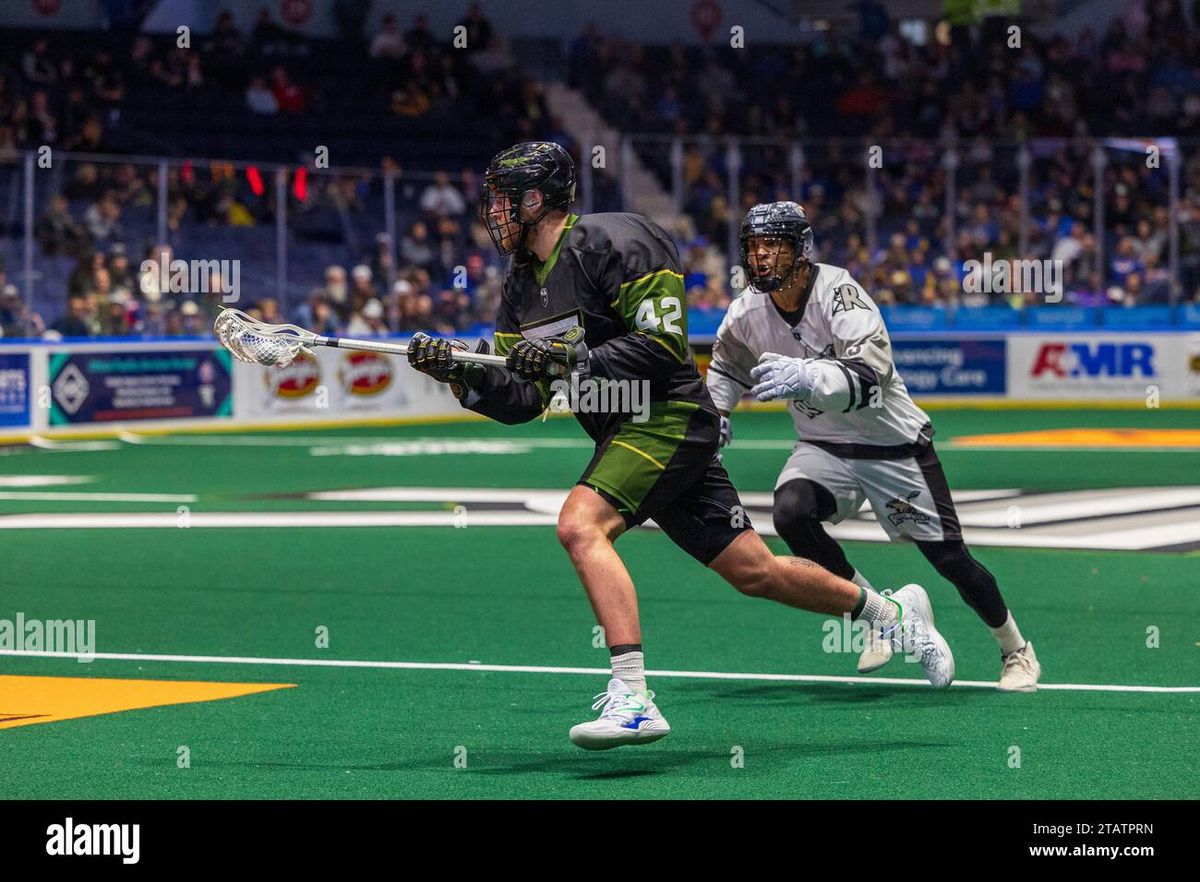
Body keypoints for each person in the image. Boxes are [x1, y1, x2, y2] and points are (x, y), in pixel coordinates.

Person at [405, 143, 955, 750]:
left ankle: (633, 697)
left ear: (537, 199)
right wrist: (463, 375)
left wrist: (574, 355)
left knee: (580, 525)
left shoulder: (615, 241)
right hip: (625, 429)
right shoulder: (520, 284)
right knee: (756, 571)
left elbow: (664, 346)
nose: (495, 213)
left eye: (505, 200)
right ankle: (893, 615)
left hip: (665, 415)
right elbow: (525, 399)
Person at [710, 201, 1039, 692]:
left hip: (891, 444)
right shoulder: (746, 312)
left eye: (772, 246)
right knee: (791, 513)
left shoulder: (840, 294)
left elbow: (870, 377)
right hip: (823, 444)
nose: (760, 258)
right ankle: (880, 615)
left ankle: (1015, 649)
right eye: (754, 246)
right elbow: (724, 368)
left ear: (800, 250)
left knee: (950, 558)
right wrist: (715, 413)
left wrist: (809, 374)